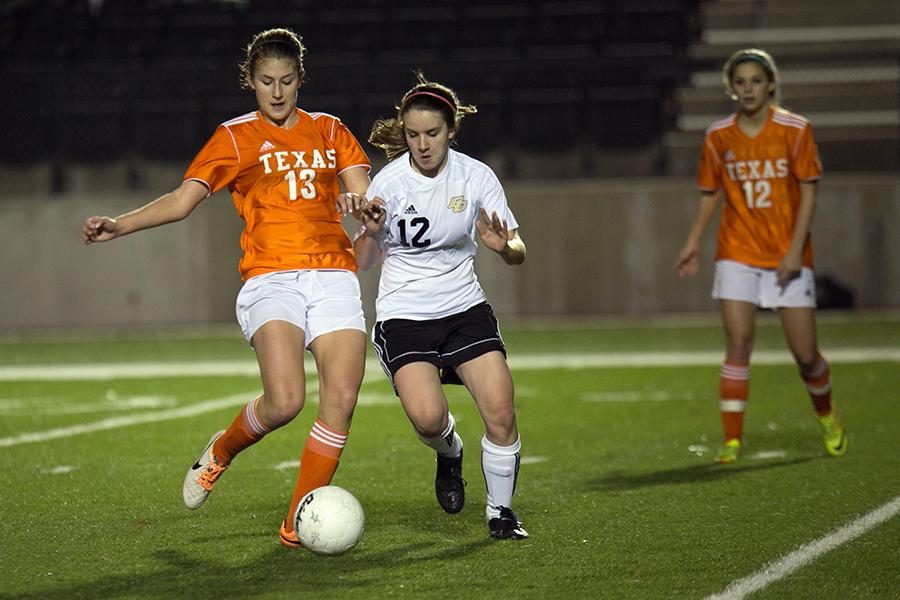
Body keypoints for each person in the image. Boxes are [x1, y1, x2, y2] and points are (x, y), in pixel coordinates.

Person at [82, 28, 373, 547]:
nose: (278, 92)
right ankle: (222, 450)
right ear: (250, 82)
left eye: (287, 81)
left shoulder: (329, 129)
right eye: (267, 82)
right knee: (284, 402)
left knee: (341, 400)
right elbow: (181, 200)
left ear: (301, 79)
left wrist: (364, 206)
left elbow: (363, 192)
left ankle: (294, 528)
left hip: (333, 273)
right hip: (271, 276)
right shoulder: (235, 137)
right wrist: (119, 225)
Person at [351, 73, 529, 539]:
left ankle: (501, 514)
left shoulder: (476, 177)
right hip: (404, 316)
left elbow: (517, 249)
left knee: (501, 410)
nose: (422, 144)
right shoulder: (388, 184)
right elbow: (363, 263)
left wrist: (502, 245)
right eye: (413, 135)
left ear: (452, 130)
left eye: (432, 133)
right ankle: (450, 453)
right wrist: (370, 232)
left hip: (464, 310)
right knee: (428, 418)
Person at [674, 48, 847, 464]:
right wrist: (693, 240)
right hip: (737, 250)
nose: (748, 89)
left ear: (770, 85)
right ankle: (732, 440)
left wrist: (793, 250)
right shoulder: (719, 135)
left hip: (788, 256)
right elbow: (711, 191)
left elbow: (808, 191)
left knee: (805, 354)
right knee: (738, 343)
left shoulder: (796, 129)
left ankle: (826, 415)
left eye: (755, 81)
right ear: (731, 89)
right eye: (740, 82)